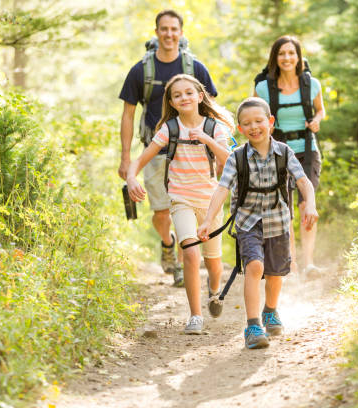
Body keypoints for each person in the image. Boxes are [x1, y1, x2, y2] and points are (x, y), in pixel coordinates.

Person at [197, 97, 318, 349]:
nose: (254, 127)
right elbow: (221, 189)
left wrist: (311, 205)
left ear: (270, 122)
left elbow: (303, 181)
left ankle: (270, 310)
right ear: (240, 129)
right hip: (248, 222)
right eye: (247, 123)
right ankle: (252, 326)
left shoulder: (284, 152)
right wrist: (208, 220)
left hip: (278, 221)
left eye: (259, 121)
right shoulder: (236, 158)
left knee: (275, 274)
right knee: (254, 267)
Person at [119, 10, 218, 286]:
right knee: (162, 212)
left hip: (192, 151)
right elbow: (127, 115)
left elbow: (210, 109)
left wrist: (218, 145)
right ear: (156, 32)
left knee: (189, 206)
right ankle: (167, 243)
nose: (169, 34)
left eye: (174, 29)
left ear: (181, 33)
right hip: (156, 149)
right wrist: (126, 159)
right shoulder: (141, 70)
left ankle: (183, 263)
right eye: (164, 29)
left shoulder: (195, 68)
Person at [127, 74, 232, 335]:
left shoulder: (215, 127)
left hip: (210, 200)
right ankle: (196, 316)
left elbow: (231, 160)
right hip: (180, 197)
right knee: (190, 252)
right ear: (172, 102)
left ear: (199, 96)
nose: (183, 97)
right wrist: (131, 178)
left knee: (214, 262)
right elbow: (141, 160)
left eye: (188, 93)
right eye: (177, 95)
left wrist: (206, 140)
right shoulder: (169, 129)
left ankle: (215, 291)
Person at [254, 35, 325, 276]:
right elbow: (256, 116)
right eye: (282, 54)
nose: (287, 58)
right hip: (278, 150)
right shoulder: (263, 88)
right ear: (275, 58)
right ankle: (291, 263)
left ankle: (309, 263)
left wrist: (316, 121)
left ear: (299, 57)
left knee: (307, 202)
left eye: (291, 53)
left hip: (307, 148)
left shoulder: (311, 84)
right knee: (285, 207)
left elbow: (320, 110)